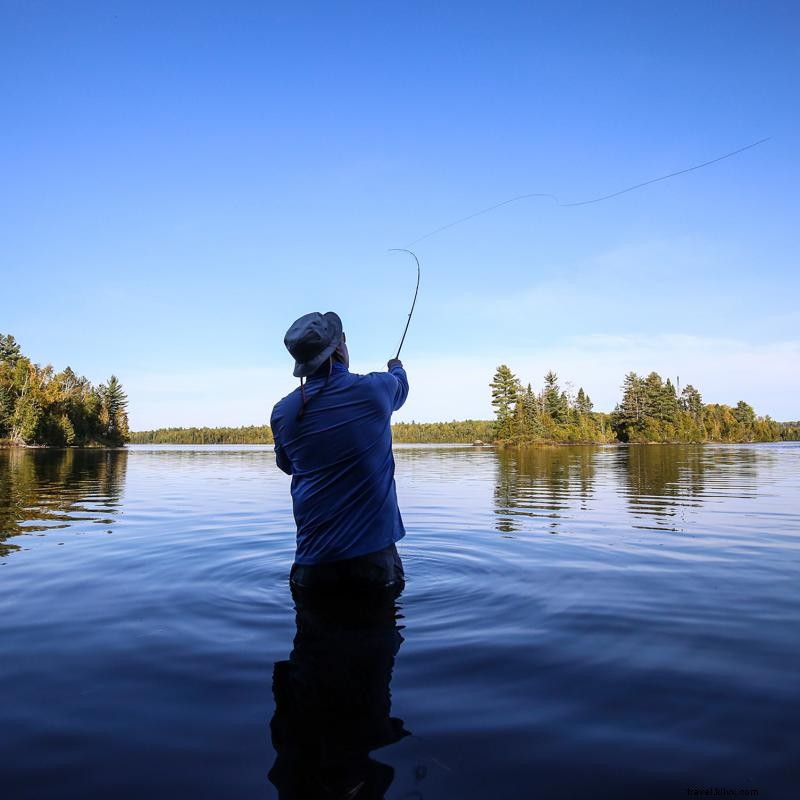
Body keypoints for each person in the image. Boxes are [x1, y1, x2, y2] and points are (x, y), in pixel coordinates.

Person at [270, 311, 409, 595]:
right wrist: (396, 366)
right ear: (339, 348)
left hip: (312, 566)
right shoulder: (376, 389)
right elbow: (401, 386)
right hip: (374, 563)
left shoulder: (282, 412)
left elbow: (286, 464)